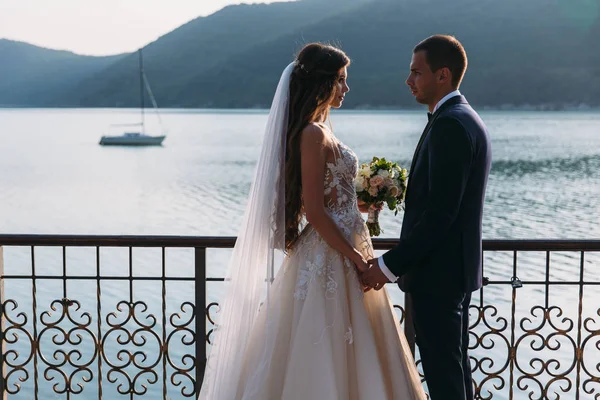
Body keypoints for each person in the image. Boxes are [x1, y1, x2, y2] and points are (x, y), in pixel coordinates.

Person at [199, 42, 425, 400]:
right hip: (331, 254)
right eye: (341, 81)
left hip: (346, 241)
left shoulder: (322, 130)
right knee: (321, 342)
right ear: (321, 83)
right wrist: (357, 259)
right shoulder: (312, 134)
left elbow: (332, 200)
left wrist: (362, 204)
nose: (346, 89)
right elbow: (316, 213)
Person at [362, 35, 492, 400]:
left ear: (443, 74)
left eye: (416, 72)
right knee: (452, 367)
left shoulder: (450, 124)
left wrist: (388, 265)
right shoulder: (461, 118)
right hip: (452, 272)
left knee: (444, 374)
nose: (409, 81)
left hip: (439, 277)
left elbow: (440, 215)